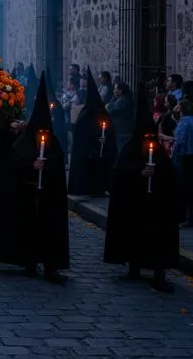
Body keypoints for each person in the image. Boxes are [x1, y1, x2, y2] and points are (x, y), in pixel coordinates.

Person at [0, 73, 69, 284]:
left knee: (50, 232)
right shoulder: (21, 144)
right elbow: (12, 167)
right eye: (40, 132)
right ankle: (28, 262)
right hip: (26, 196)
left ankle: (50, 266)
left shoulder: (54, 146)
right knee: (27, 231)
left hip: (49, 197)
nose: (42, 136)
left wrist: (48, 168)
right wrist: (30, 166)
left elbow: (58, 166)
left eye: (46, 132)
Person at [104, 85, 178, 293]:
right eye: (144, 138)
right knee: (134, 234)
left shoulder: (160, 155)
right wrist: (139, 174)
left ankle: (158, 273)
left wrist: (158, 175)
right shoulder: (130, 150)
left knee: (157, 239)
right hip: (135, 205)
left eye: (150, 137)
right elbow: (120, 174)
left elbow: (170, 177)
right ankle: (134, 267)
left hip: (156, 207)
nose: (149, 142)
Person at [68, 69, 117, 196]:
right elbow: (81, 139)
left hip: (100, 153)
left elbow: (110, 133)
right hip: (89, 153)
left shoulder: (96, 114)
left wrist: (104, 139)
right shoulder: (87, 115)